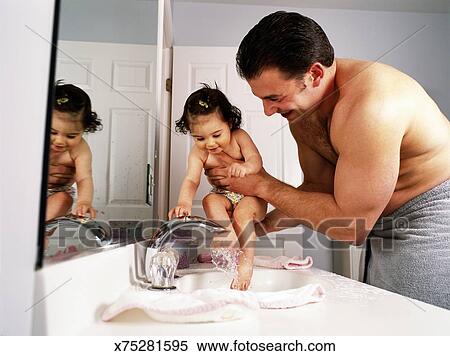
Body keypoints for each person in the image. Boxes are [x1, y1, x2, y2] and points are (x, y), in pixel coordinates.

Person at [206, 11, 450, 309]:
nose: (269, 111)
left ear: (315, 74)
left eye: (274, 97)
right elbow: (317, 190)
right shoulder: (303, 111)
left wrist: (263, 185)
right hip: (380, 223)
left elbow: (351, 226)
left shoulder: (373, 105)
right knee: (384, 319)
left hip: (431, 218)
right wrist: (255, 229)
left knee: (415, 330)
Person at [168, 84, 267, 290]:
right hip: (223, 195)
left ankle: (246, 262)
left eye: (216, 134)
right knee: (209, 200)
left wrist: (246, 166)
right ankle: (226, 232)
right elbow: (191, 180)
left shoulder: (240, 137)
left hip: (251, 197)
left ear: (229, 123)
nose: (210, 143)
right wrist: (183, 202)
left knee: (242, 215)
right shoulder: (199, 153)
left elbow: (256, 160)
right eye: (200, 138)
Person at [46, 82, 102, 221]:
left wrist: (84, 202)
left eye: (71, 136)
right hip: (29, 191)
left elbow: (84, 178)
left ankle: (37, 228)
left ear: (85, 129)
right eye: (53, 132)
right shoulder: (36, 141)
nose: (59, 141)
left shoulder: (80, 149)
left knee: (64, 199)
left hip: (57, 194)